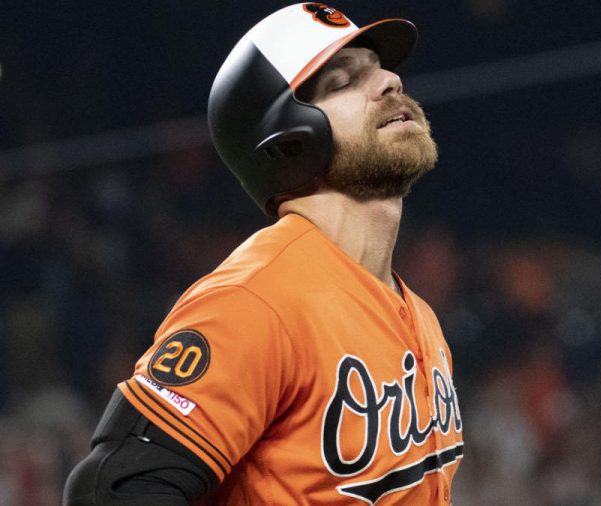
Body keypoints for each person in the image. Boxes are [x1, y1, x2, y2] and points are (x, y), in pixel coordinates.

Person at [63, 3, 464, 504]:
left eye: (381, 68)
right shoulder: (257, 298)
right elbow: (113, 488)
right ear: (288, 139)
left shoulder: (420, 315)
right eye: (342, 81)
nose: (388, 81)